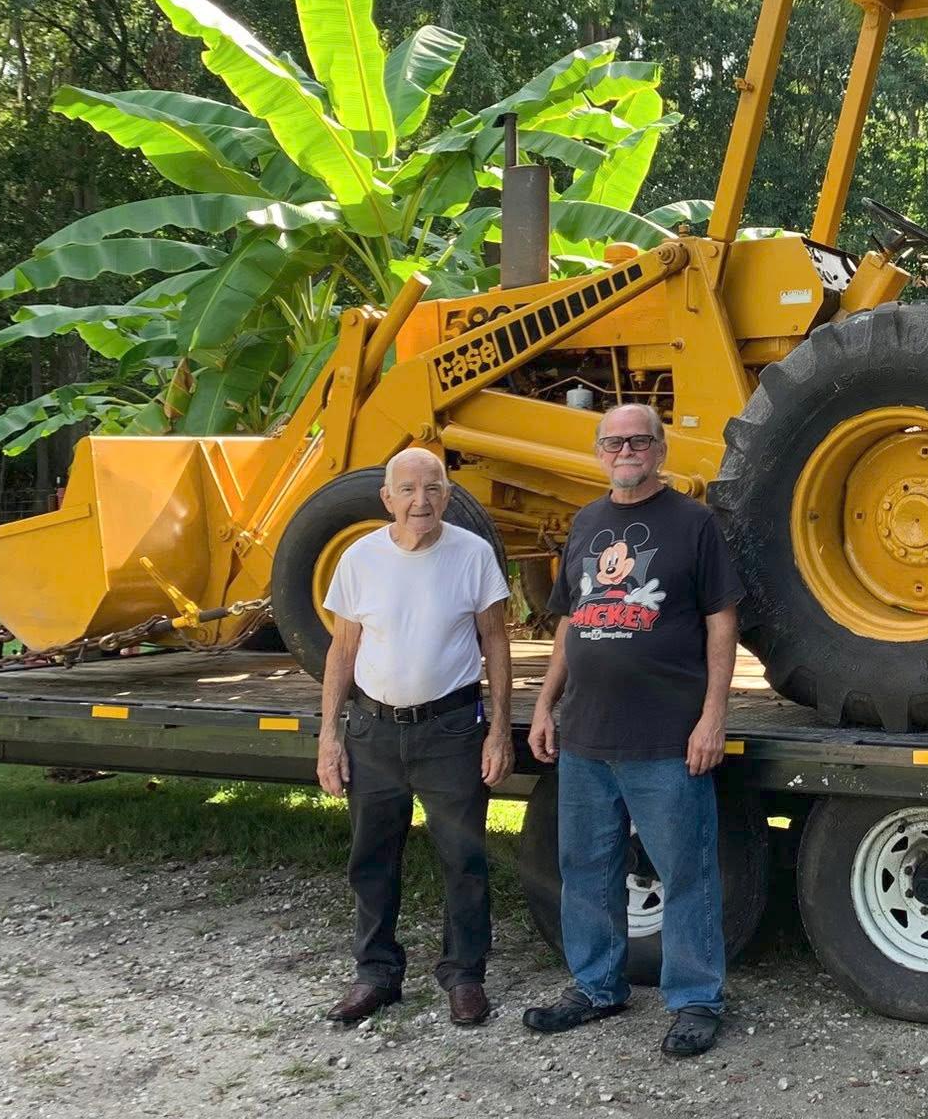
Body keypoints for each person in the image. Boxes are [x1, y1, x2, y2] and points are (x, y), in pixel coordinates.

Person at [524, 402, 740, 1057]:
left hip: (666, 735)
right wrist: (543, 703)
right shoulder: (587, 523)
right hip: (586, 733)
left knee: (686, 872)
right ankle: (596, 986)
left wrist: (713, 715)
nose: (626, 451)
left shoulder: (694, 524)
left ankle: (697, 999)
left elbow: (721, 622)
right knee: (586, 867)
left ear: (660, 450)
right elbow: (569, 620)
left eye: (639, 440)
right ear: (598, 452)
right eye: (614, 442)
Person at [315, 448, 514, 1028]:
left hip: (451, 730)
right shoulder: (360, 557)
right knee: (372, 858)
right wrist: (330, 735)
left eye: (432, 488)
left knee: (464, 859)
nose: (420, 501)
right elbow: (342, 651)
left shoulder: (472, 556)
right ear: (387, 498)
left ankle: (464, 975)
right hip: (373, 731)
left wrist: (499, 730)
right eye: (407, 489)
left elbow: (496, 643)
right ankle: (376, 974)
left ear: (448, 495)